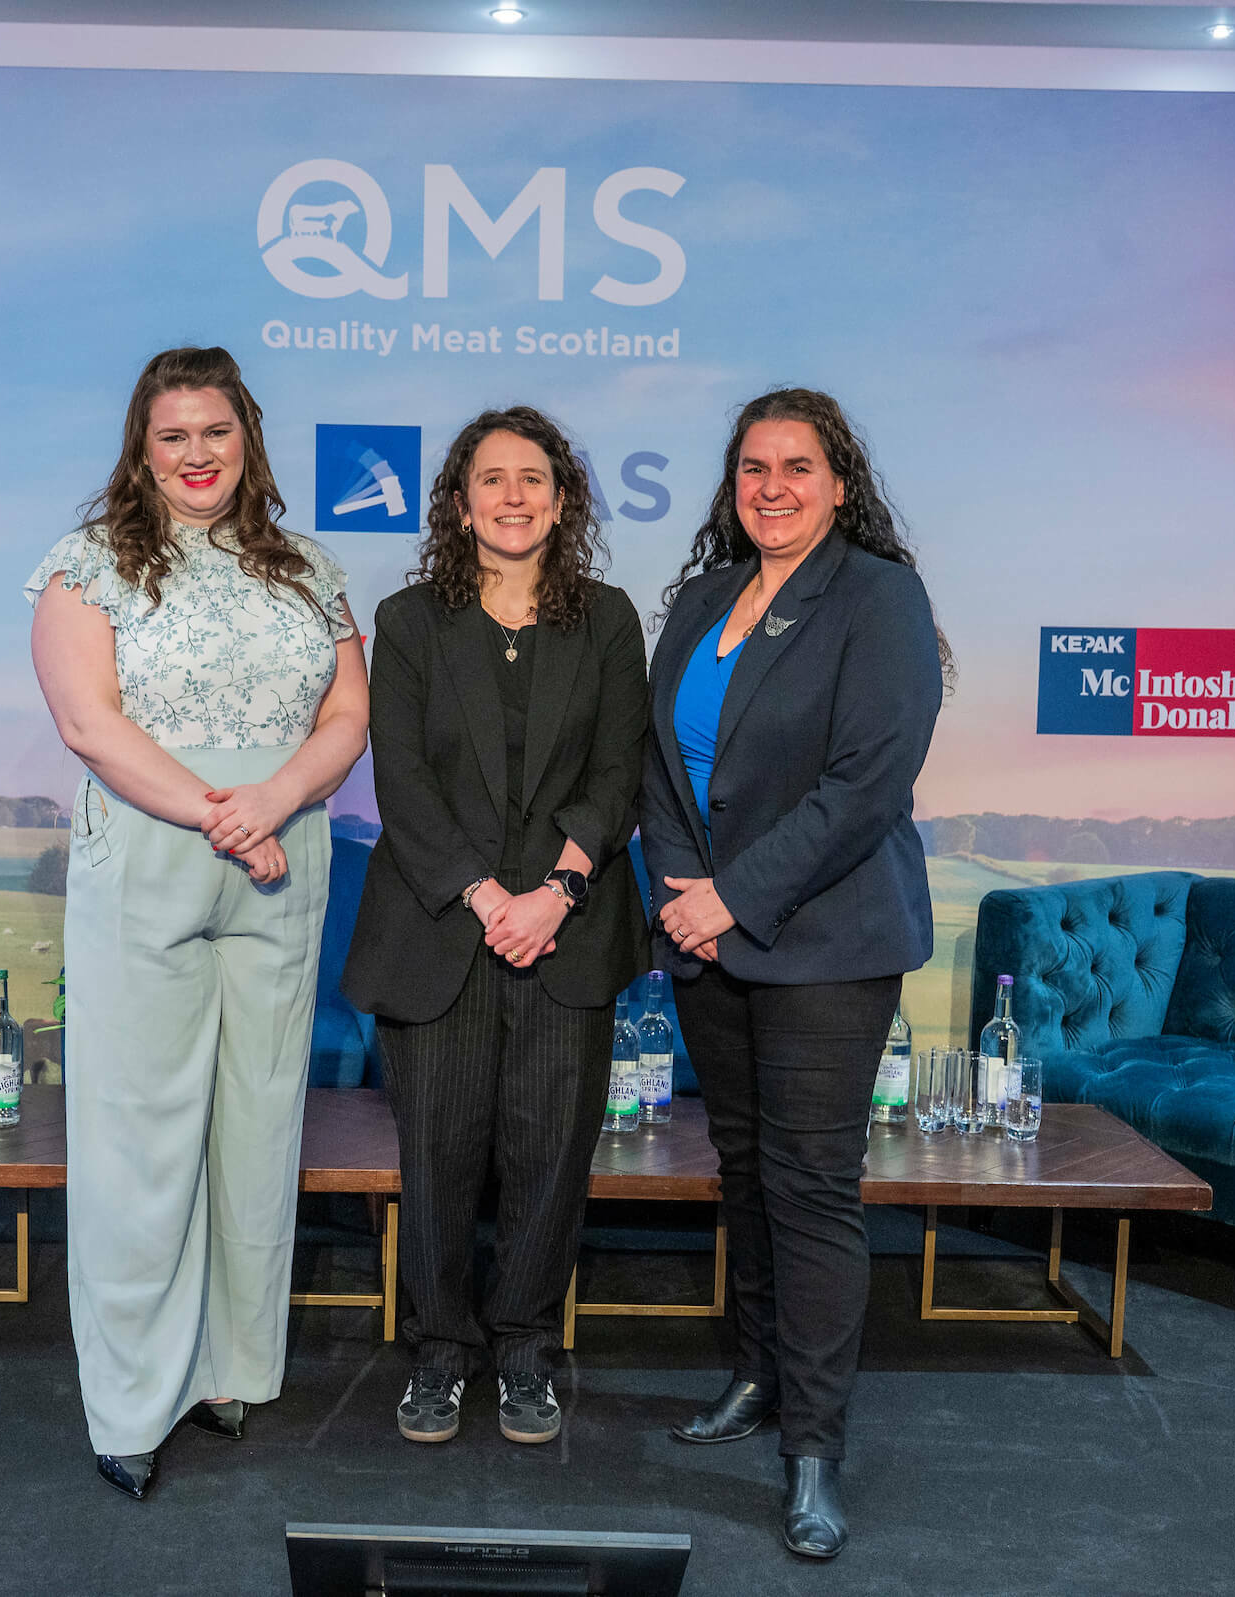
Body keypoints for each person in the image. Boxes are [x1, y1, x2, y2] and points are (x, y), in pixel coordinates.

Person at [26, 346, 370, 1501]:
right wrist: (225, 815)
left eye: (215, 430)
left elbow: (348, 712)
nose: (197, 454)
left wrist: (274, 801)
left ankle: (225, 1369)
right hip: (156, 846)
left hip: (283, 850)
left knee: (257, 1126)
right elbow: (89, 722)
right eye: (172, 436)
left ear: (247, 436)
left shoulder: (309, 567)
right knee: (140, 1136)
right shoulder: (86, 564)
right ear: (142, 447)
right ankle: (132, 1399)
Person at [638, 387, 948, 1559]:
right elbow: (657, 764)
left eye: (797, 467)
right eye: (754, 468)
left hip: (826, 940)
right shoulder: (704, 598)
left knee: (812, 1187)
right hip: (708, 940)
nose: (773, 488)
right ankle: (759, 1377)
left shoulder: (879, 597)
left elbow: (866, 783)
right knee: (746, 1173)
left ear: (840, 483)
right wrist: (682, 889)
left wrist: (731, 896)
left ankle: (815, 1449)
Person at [342, 406, 650, 1449]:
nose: (513, 496)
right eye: (491, 479)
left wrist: (556, 890)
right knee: (436, 1158)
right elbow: (402, 780)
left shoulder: (607, 619)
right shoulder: (409, 620)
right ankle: (438, 1351)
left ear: (562, 502)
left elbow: (619, 770)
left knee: (551, 1158)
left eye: (533, 479)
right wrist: (484, 896)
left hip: (569, 930)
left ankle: (524, 1348)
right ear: (460, 503)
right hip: (441, 930)